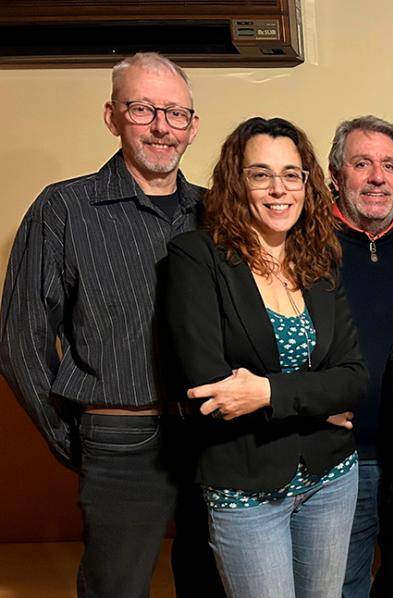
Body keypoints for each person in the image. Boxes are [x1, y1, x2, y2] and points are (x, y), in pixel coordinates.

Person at [0, 52, 221, 598]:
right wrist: (72, 435)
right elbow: (19, 338)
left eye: (175, 113)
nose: (161, 127)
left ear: (193, 127)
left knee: (218, 583)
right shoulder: (65, 209)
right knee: (115, 588)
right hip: (120, 435)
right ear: (112, 116)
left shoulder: (217, 213)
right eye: (143, 109)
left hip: (216, 435)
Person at [163, 116, 367, 597]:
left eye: (291, 174)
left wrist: (266, 391)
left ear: (307, 183)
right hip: (245, 487)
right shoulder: (197, 258)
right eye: (261, 174)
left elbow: (354, 378)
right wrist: (316, 405)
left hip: (330, 478)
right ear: (238, 182)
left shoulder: (319, 258)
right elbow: (212, 391)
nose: (279, 189)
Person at [328, 115, 393, 598]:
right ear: (336, 174)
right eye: (362, 163)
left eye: (389, 166)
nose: (377, 177)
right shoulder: (305, 246)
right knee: (345, 585)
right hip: (342, 459)